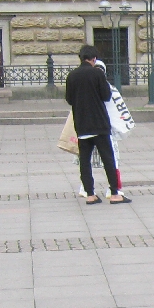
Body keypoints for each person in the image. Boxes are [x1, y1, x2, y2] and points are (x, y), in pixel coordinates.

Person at [65, 45, 129, 204]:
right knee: (108, 158)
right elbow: (106, 96)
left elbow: (69, 99)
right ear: (94, 59)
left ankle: (90, 194)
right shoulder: (97, 74)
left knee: (85, 161)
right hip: (99, 124)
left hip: (82, 125)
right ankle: (114, 193)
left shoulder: (71, 76)